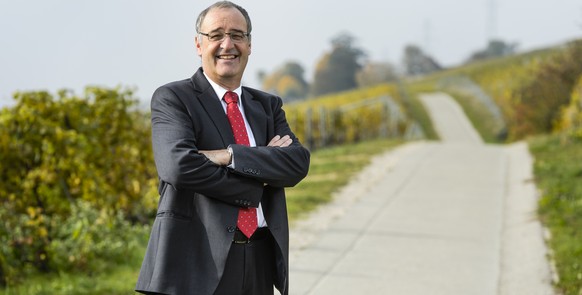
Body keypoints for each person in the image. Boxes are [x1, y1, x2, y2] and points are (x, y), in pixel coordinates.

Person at [135, 1, 310, 295]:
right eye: (216, 35)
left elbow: (296, 164)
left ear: (250, 44)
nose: (227, 44)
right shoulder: (173, 98)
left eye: (237, 35)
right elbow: (178, 167)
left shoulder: (267, 106)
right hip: (195, 264)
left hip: (260, 258)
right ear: (198, 44)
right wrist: (258, 179)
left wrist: (229, 156)